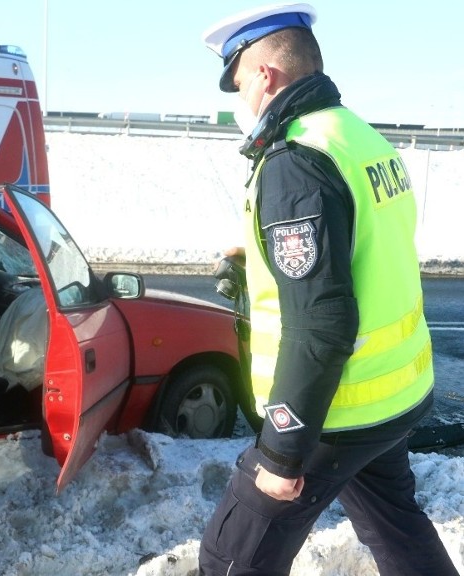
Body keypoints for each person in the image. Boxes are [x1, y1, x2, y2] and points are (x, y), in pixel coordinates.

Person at [197, 4, 459, 575]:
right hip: (390, 399)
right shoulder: (359, 137)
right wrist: (263, 263)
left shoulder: (296, 159)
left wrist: (281, 452)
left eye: (239, 82)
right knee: (400, 535)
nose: (240, 100)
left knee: (229, 559)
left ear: (265, 75)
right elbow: (364, 250)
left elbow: (322, 322)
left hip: (334, 413)